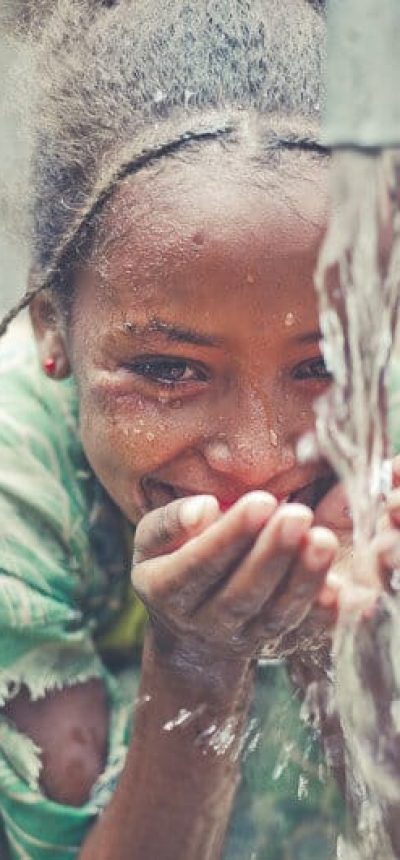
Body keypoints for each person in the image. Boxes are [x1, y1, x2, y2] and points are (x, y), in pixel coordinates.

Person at [1, 1, 400, 858]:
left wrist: (351, 650)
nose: (257, 460)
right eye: (169, 371)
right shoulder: (14, 481)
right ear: (51, 332)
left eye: (320, 364)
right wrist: (196, 660)